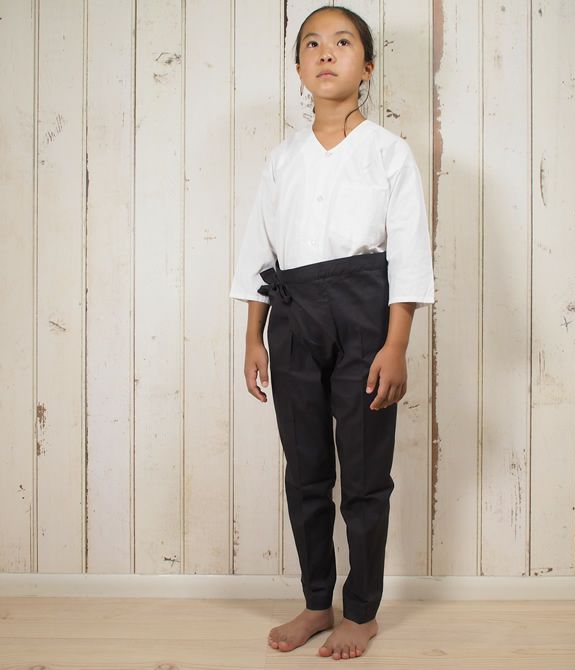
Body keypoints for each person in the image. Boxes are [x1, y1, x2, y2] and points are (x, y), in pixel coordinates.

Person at [229, 4, 434, 661]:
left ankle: (362, 611)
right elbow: (259, 251)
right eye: (313, 44)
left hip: (365, 314)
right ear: (298, 68)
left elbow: (408, 253)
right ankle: (318, 601)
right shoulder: (282, 159)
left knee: (366, 474)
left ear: (366, 66)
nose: (326, 53)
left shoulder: (388, 154)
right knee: (307, 470)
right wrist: (254, 336)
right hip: (293, 319)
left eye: (343, 43)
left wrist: (396, 344)